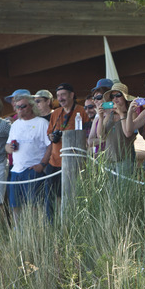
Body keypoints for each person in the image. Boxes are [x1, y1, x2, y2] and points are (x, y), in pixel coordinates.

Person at [5, 95, 51, 225]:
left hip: (33, 170)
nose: (19, 109)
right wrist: (10, 147)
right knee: (15, 205)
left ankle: (35, 232)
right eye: (17, 107)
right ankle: (19, 234)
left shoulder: (42, 123)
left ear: (31, 106)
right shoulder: (15, 125)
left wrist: (42, 164)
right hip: (16, 170)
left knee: (34, 206)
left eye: (23, 106)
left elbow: (50, 145)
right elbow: (7, 147)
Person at [46, 83, 89, 213]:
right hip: (54, 161)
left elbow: (88, 135)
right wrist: (52, 137)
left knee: (72, 194)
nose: (60, 98)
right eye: (58, 96)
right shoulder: (56, 113)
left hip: (73, 161)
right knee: (52, 196)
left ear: (72, 95)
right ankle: (53, 224)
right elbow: (49, 133)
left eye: (63, 94)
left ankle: (69, 220)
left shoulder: (82, 111)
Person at [99, 83, 138, 175]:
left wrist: (121, 114)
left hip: (125, 157)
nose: (115, 98)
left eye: (118, 95)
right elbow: (101, 135)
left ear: (125, 98)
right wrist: (101, 117)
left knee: (124, 187)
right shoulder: (109, 115)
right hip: (109, 159)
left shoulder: (131, 114)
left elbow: (128, 133)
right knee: (110, 188)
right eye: (112, 96)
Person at [88, 79, 114, 154]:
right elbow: (90, 142)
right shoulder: (97, 118)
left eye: (99, 97)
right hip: (101, 158)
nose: (95, 101)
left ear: (108, 96)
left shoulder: (116, 114)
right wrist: (105, 139)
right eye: (94, 98)